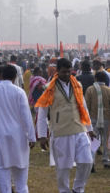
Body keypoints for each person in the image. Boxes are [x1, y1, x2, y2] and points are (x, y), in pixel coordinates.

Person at [36, 58, 94, 193]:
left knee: (87, 161)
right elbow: (42, 113)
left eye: (69, 72)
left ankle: (78, 189)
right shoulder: (49, 87)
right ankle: (64, 190)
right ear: (57, 71)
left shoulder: (77, 84)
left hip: (79, 129)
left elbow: (83, 108)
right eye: (63, 72)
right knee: (63, 167)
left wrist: (90, 129)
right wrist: (42, 135)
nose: (67, 75)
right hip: (61, 132)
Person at [0, 65, 36, 193]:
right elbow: (26, 116)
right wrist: (31, 136)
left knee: (2, 175)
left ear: (0, 75)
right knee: (21, 177)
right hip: (19, 137)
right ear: (15, 77)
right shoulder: (19, 92)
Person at [85, 71, 110, 168]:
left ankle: (92, 162)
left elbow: (86, 105)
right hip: (107, 118)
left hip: (93, 118)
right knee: (105, 140)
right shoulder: (108, 90)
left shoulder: (90, 90)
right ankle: (106, 160)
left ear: (95, 79)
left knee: (93, 140)